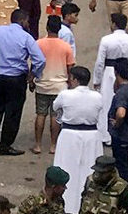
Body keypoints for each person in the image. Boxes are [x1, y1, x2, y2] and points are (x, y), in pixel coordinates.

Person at [0, 10, 46, 156]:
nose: (28, 24)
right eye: (27, 21)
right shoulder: (26, 37)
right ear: (22, 21)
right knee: (13, 112)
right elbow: (40, 60)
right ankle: (5, 145)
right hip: (16, 79)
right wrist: (33, 75)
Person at [47, 65, 103, 213]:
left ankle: (68, 205)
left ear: (75, 80)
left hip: (70, 135)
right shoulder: (97, 96)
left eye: (71, 78)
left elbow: (55, 107)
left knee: (67, 167)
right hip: (91, 136)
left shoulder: (66, 95)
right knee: (89, 169)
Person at [32, 15, 76, 156]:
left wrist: (31, 80)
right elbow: (70, 68)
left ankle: (38, 145)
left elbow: (34, 64)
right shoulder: (66, 46)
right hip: (60, 87)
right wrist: (70, 83)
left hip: (42, 84)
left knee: (40, 114)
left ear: (47, 27)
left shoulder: (38, 44)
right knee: (55, 116)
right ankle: (53, 145)